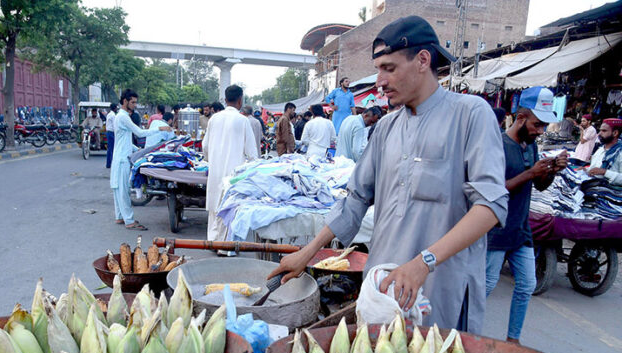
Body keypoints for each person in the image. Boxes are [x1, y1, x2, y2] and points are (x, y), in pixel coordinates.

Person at [269, 16, 509, 334]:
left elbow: (490, 206)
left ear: (422, 60)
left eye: (389, 68)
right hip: (383, 288)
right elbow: (355, 199)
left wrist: (424, 262)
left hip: (440, 288)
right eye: (378, 69)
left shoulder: (470, 114)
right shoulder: (385, 128)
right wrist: (307, 252)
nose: (379, 81)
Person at [486, 87, 568, 344]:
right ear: (521, 118)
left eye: (544, 126)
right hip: (496, 229)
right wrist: (531, 173)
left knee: (527, 284)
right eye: (537, 124)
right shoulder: (498, 145)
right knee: (485, 286)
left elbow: (540, 185)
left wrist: (551, 171)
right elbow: (494, 189)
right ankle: (464, 332)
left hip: (521, 228)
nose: (540, 131)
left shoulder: (529, 145)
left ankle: (513, 340)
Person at [203, 85, 259, 245]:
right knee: (230, 210)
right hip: (234, 176)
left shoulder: (214, 119)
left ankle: (213, 242)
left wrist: (212, 160)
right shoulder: (243, 120)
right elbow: (252, 154)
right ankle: (225, 247)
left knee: (214, 210)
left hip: (215, 172)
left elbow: (205, 146)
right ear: (240, 100)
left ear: (225, 99)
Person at [111, 89, 163, 231]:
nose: (135, 105)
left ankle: (120, 216)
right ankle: (129, 220)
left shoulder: (120, 116)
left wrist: (137, 150)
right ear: (125, 101)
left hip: (120, 156)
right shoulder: (123, 117)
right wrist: (159, 129)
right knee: (123, 190)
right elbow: (140, 133)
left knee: (118, 188)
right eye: (133, 102)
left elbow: (124, 140)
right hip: (122, 159)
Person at [587, 118, 622, 185]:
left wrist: (605, 172)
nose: (599, 134)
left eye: (604, 131)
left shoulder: (620, 152)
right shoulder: (600, 150)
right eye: (600, 130)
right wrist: (586, 170)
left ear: (615, 133)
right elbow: (595, 169)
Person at [105, 103, 118, 169]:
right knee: (111, 148)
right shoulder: (113, 115)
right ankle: (109, 163)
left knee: (110, 148)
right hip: (111, 132)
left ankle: (109, 163)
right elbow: (114, 125)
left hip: (108, 131)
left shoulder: (109, 114)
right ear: (115, 108)